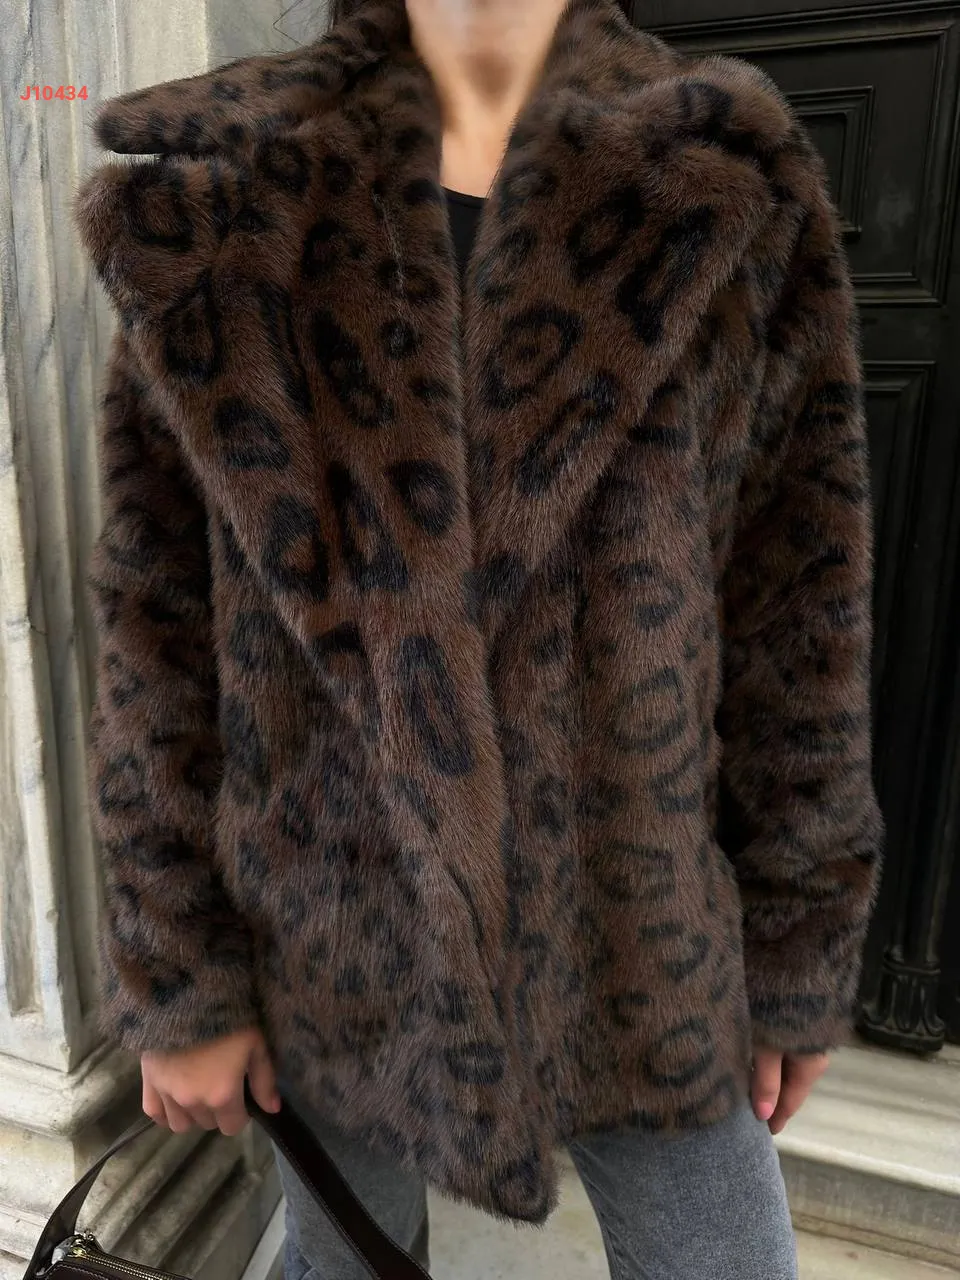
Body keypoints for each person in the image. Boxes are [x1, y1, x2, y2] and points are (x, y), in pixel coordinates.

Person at [74, 0, 884, 1276]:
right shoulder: (229, 191)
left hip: (632, 930)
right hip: (335, 924)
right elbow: (153, 631)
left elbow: (800, 606)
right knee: (342, 1260)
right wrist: (178, 972)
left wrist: (796, 940)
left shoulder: (717, 175)